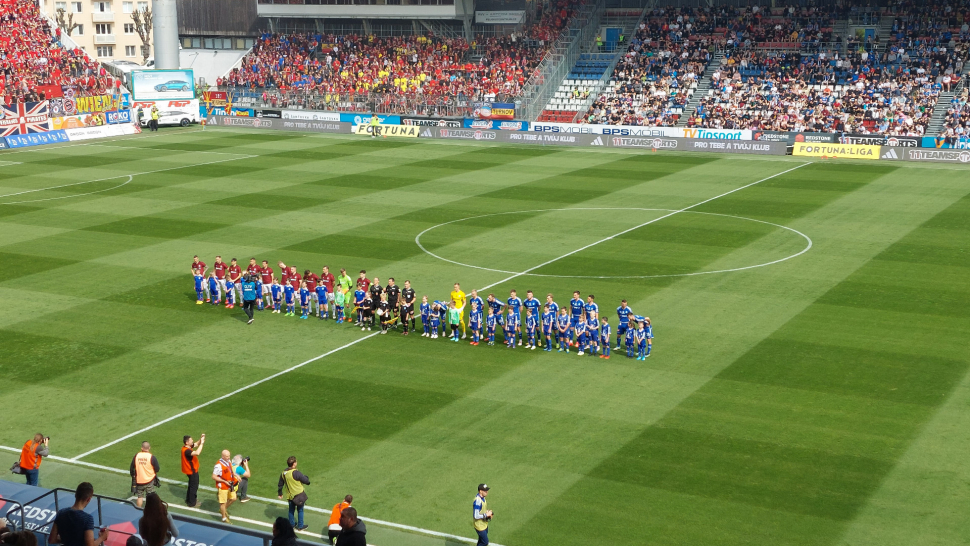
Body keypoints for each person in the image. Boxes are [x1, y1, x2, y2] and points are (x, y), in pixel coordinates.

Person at [277, 456, 310, 531]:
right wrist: (307, 478)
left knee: (291, 510)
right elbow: (306, 481)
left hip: (290, 496)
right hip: (299, 495)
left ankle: (291, 524)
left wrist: (280, 493)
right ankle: (300, 526)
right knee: (300, 510)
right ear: (294, 464)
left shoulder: (284, 473)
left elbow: (280, 484)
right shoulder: (296, 473)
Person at [130, 442, 159, 509]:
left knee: (140, 497)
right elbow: (157, 468)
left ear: (141, 448)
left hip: (139, 480)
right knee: (151, 496)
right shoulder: (151, 457)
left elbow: (132, 468)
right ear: (149, 448)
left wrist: (133, 476)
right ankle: (151, 510)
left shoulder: (136, 456)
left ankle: (138, 509)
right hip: (149, 480)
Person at [213, 450, 237, 523]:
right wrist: (224, 481)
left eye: (229, 456)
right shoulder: (218, 465)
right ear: (222, 456)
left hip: (230, 485)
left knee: (233, 498)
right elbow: (214, 477)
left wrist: (236, 476)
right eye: (227, 456)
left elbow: (230, 471)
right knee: (223, 502)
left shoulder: (228, 461)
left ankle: (223, 509)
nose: (228, 457)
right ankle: (223, 517)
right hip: (223, 486)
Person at [181, 434, 205, 508]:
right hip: (192, 471)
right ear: (187, 442)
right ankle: (192, 502)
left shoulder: (186, 447)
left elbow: (196, 444)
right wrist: (202, 443)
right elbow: (197, 453)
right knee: (194, 486)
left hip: (189, 470)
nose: (192, 440)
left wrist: (201, 439)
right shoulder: (187, 451)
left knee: (191, 485)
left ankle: (189, 499)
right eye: (191, 440)